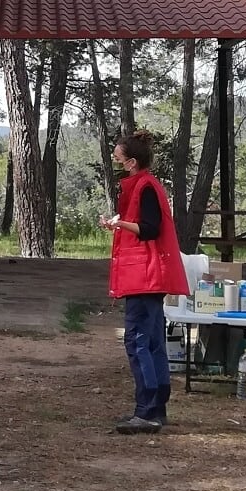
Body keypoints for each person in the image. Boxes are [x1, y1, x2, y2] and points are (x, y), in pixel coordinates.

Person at [99, 130, 176, 434]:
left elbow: (149, 228)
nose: (116, 162)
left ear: (132, 162)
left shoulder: (145, 187)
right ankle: (157, 409)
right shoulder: (147, 185)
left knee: (139, 342)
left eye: (119, 158)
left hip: (144, 275)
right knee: (153, 342)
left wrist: (119, 224)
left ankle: (146, 411)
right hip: (147, 276)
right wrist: (117, 224)